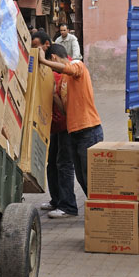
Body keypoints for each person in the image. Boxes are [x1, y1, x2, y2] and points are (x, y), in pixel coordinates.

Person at [38, 43, 102, 197]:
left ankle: (100, 213)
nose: (54, 71)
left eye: (52, 65)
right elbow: (65, 110)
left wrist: (43, 61)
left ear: (53, 58)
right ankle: (96, 211)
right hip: (73, 132)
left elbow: (70, 68)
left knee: (90, 179)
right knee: (81, 178)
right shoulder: (63, 80)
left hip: (89, 130)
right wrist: (54, 95)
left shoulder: (77, 65)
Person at [39, 43, 78, 219]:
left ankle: (68, 205)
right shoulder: (57, 70)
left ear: (52, 58)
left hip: (66, 126)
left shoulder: (68, 70)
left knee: (64, 165)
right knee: (52, 164)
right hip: (54, 126)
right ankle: (56, 200)